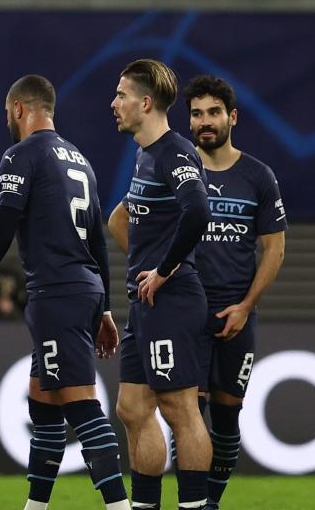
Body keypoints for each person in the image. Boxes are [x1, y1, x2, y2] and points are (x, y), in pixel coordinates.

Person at [0, 75, 129, 510]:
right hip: (82, 291)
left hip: (57, 292)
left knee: (82, 405)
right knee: (43, 404)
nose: (8, 120)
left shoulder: (22, 154)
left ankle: (120, 506)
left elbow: (2, 227)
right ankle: (36, 506)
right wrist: (103, 307)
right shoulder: (80, 160)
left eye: (9, 113)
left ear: (20, 110)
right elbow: (98, 242)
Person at [107, 59, 212, 510]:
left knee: (179, 409)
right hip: (145, 301)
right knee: (131, 408)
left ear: (145, 103)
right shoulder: (145, 154)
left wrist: (164, 269)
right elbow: (122, 218)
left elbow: (199, 212)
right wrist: (140, 264)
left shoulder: (175, 152)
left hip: (172, 297)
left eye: (122, 95)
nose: (114, 104)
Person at [184, 75, 286, 510]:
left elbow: (275, 248)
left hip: (235, 316)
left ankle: (212, 504)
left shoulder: (258, 176)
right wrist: (162, 273)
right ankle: (192, 503)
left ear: (232, 118)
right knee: (189, 418)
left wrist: (246, 306)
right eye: (196, 113)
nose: (204, 122)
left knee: (226, 421)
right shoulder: (177, 169)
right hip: (187, 312)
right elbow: (122, 218)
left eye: (213, 113)